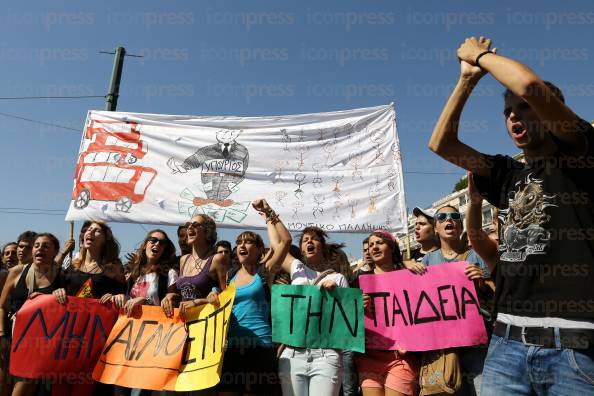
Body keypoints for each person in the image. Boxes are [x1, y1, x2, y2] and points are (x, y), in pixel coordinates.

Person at [429, 35, 594, 394]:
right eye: (507, 112)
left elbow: (531, 85)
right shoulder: (506, 173)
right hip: (506, 345)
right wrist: (466, 80)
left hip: (573, 349)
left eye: (524, 109)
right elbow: (441, 144)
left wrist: (481, 56)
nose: (514, 118)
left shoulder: (579, 152)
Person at [217, 199, 290, 396]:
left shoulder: (265, 272)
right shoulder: (229, 275)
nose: (242, 245)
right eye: (239, 242)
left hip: (260, 348)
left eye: (248, 241)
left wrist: (268, 212)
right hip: (231, 347)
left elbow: (284, 242)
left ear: (260, 250)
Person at [421, 205, 492, 395]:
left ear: (460, 225)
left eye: (454, 216)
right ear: (435, 227)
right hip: (445, 346)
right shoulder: (427, 261)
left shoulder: (476, 255)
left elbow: (495, 291)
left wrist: (482, 283)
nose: (448, 219)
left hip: (477, 342)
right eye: (442, 217)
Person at [51, 221, 126, 395]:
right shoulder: (72, 266)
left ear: (105, 240)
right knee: (60, 389)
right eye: (87, 230)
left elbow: (124, 297)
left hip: (94, 342)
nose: (90, 233)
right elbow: (51, 288)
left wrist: (117, 298)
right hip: (66, 339)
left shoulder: (114, 268)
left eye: (97, 231)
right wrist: (57, 292)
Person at [277, 226, 349, 396]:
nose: (309, 241)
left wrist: (337, 294)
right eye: (304, 240)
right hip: (293, 354)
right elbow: (279, 243)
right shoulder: (297, 269)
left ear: (322, 246)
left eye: (314, 239)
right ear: (301, 248)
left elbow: (345, 322)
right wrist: (268, 214)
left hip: (326, 355)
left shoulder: (338, 278)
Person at [111, 230, 178, 396]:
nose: (156, 244)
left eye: (161, 243)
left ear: (165, 249)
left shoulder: (168, 274)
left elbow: (172, 304)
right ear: (145, 244)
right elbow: (127, 300)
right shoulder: (135, 273)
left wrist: (146, 302)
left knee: (140, 391)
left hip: (152, 342)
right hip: (128, 341)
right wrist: (117, 297)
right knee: (120, 390)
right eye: (153, 240)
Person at [353, 230, 420, 396]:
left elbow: (423, 312)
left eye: (379, 243)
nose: (374, 247)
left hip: (401, 358)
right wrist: (355, 308)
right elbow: (347, 323)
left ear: (391, 248)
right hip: (368, 358)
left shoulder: (411, 276)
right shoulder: (358, 282)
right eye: (370, 245)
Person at [0, 233, 63, 396]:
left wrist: (61, 295)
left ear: (55, 252)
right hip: (8, 340)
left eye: (46, 246)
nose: (40, 248)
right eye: (37, 245)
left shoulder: (62, 277)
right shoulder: (16, 272)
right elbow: (1, 307)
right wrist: (1, 336)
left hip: (36, 347)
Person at [161, 214, 227, 320]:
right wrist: (171, 296)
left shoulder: (217, 259)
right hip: (183, 324)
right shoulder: (184, 259)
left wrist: (200, 301)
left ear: (207, 232)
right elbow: (184, 293)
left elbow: (227, 296)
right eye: (188, 225)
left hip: (206, 324)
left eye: (195, 225)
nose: (190, 228)